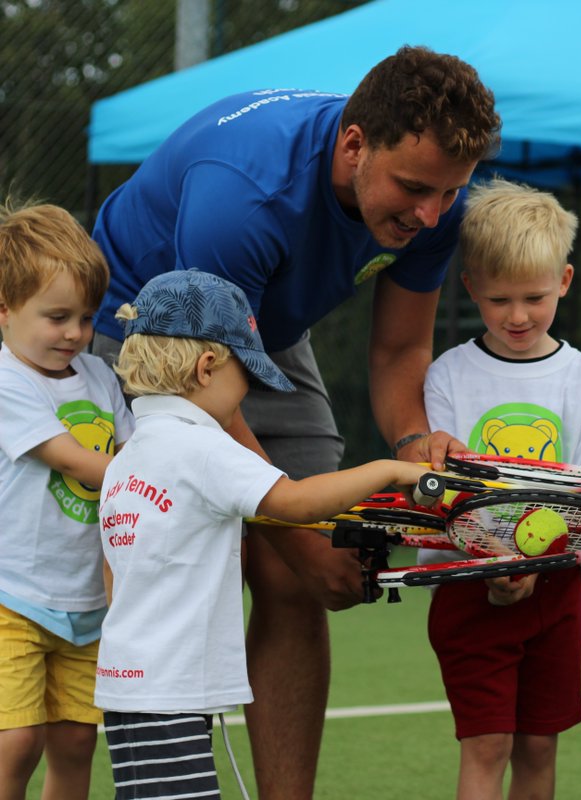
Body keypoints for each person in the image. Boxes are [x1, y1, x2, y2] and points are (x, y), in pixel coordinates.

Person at [88, 45, 500, 795]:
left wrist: (415, 440)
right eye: (414, 189)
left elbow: (401, 348)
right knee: (215, 551)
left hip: (265, 332)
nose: (431, 214)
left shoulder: (435, 199)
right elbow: (205, 401)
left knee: (292, 580)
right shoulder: (242, 197)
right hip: (147, 334)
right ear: (353, 145)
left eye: (449, 193)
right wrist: (305, 545)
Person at [94, 269, 431, 800]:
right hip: (172, 692)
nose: (246, 395)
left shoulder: (127, 455)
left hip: (128, 683)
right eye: (244, 377)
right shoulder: (203, 447)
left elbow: (115, 566)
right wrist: (389, 471)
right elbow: (293, 503)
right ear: (208, 367)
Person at [420, 177, 581, 800]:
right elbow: (443, 494)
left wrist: (540, 562)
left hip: (557, 591)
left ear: (565, 279)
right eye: (499, 299)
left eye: (534, 296)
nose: (518, 316)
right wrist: (496, 561)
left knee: (537, 746)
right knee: (488, 746)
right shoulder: (446, 374)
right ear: (470, 285)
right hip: (468, 588)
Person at [0, 201, 135, 800]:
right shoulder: (8, 380)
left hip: (89, 602)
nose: (76, 333)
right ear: (4, 310)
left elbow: (138, 447)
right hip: (15, 597)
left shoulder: (100, 376)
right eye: (57, 317)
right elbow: (76, 460)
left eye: (85, 317)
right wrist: (157, 485)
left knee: (78, 740)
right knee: (15, 741)